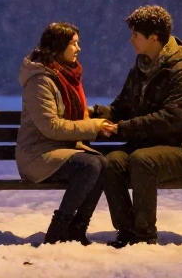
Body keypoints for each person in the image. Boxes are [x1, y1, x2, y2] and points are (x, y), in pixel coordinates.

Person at [93, 5, 182, 247]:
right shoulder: (140, 68)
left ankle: (144, 236)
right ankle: (127, 231)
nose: (131, 40)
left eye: (136, 35)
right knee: (111, 162)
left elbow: (170, 119)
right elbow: (121, 107)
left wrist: (123, 128)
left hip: (181, 151)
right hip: (141, 147)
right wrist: (94, 113)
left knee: (143, 160)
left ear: (154, 37)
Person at [17, 21, 117, 245]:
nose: (78, 48)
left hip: (60, 150)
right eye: (73, 43)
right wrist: (94, 126)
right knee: (90, 165)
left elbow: (72, 114)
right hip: (37, 155)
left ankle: (77, 230)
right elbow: (51, 126)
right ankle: (58, 231)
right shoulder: (40, 81)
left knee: (102, 163)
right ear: (58, 46)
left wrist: (100, 120)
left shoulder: (67, 76)